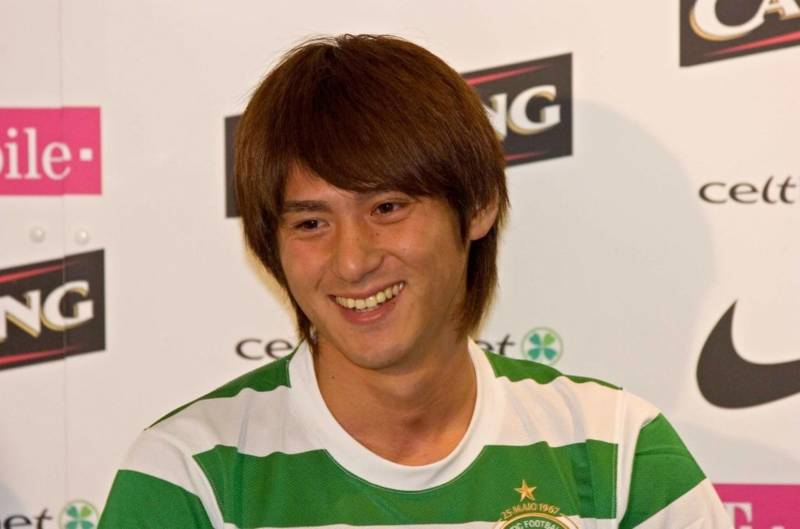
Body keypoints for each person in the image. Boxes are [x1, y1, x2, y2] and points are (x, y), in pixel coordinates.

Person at [98, 34, 731, 529]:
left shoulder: (619, 452)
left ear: (477, 205)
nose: (352, 262)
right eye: (311, 222)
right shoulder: (190, 475)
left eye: (387, 208)